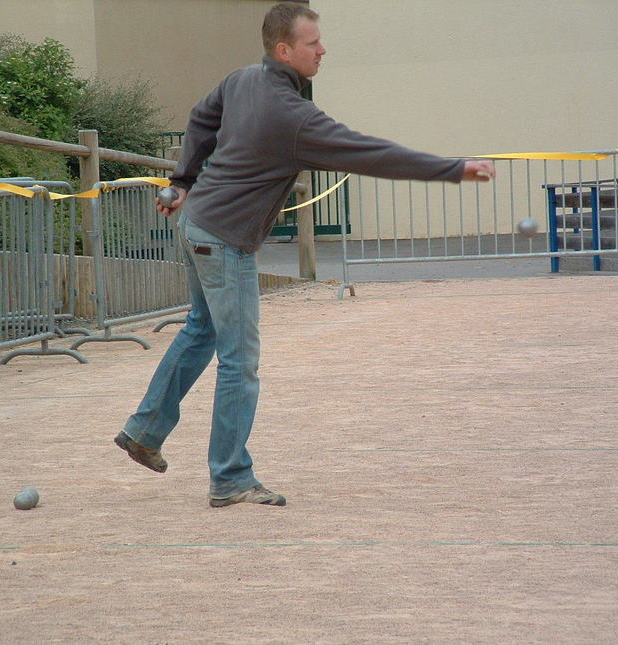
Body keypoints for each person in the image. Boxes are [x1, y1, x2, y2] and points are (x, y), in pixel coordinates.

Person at [114, 2, 496, 508]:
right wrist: (452, 169)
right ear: (285, 50)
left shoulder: (242, 80)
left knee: (202, 331)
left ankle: (145, 431)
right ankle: (229, 477)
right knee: (239, 362)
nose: (323, 49)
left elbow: (201, 117)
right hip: (223, 238)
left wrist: (184, 180)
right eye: (313, 43)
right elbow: (371, 153)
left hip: (196, 223)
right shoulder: (292, 116)